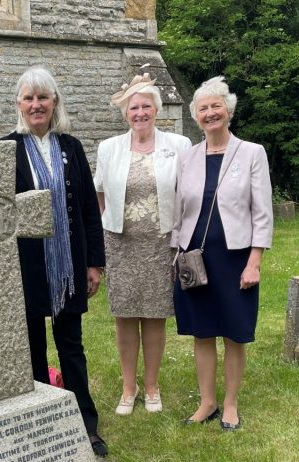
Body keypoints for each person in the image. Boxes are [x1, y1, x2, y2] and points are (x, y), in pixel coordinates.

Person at [0, 66, 107, 456]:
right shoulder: (7, 147)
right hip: (25, 264)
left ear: (54, 102)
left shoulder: (71, 147)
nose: (36, 105)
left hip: (68, 265)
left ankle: (85, 425)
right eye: (29, 98)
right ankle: (44, 424)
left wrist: (94, 263)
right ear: (19, 105)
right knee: (32, 349)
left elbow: (89, 208)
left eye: (43, 97)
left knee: (71, 346)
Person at [171, 76, 273, 430]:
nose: (210, 113)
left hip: (233, 259)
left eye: (216, 106)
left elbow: (262, 212)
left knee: (233, 332)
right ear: (196, 116)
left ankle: (230, 404)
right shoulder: (187, 157)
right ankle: (207, 402)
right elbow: (178, 211)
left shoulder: (251, 153)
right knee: (202, 332)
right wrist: (176, 253)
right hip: (195, 260)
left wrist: (254, 262)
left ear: (228, 111)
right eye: (203, 108)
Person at [94, 72, 191, 415]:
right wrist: (110, 230)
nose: (140, 113)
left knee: (154, 316)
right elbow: (101, 195)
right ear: (126, 113)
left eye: (146, 106)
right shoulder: (109, 148)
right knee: (124, 316)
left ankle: (152, 386)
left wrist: (179, 241)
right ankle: (128, 386)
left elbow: (187, 195)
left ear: (156, 109)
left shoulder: (178, 146)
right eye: (134, 107)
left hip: (160, 243)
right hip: (121, 244)